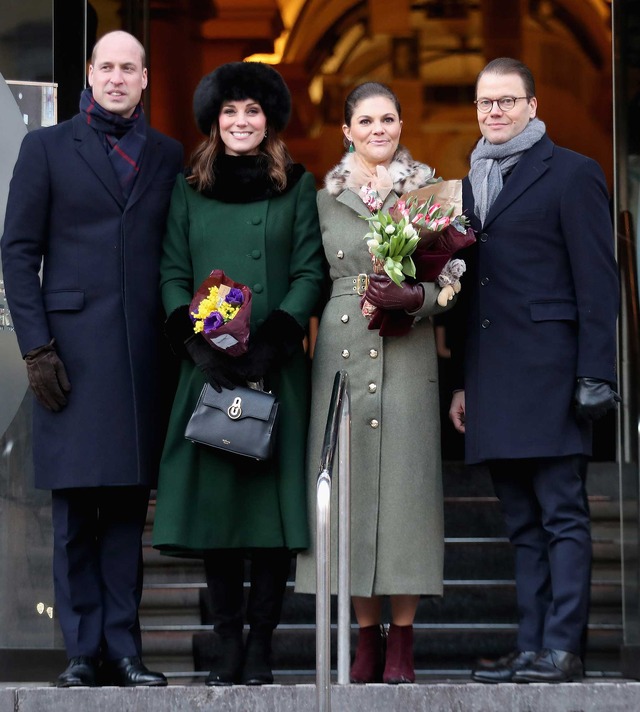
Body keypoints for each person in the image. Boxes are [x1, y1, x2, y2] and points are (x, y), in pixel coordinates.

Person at [1, 31, 183, 687]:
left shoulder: (165, 155)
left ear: (143, 80)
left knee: (127, 514)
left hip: (139, 356)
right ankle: (82, 652)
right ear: (90, 73)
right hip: (68, 359)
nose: (115, 77)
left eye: (128, 68)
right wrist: (36, 347)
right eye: (105, 66)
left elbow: (178, 250)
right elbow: (17, 253)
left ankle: (125, 650)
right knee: (76, 514)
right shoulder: (46, 147)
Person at [151, 61, 324, 686]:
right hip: (210, 371)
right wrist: (196, 342)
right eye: (230, 111)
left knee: (268, 518)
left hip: (273, 371)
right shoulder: (186, 190)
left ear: (269, 120)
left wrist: (274, 339)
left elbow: (311, 272)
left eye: (252, 111)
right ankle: (225, 641)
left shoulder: (297, 186)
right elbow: (171, 271)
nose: (241, 121)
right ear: (214, 121)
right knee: (219, 516)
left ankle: (261, 644)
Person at [447, 57, 620, 684]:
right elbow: (466, 292)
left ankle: (563, 648)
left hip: (553, 373)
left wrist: (596, 372)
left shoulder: (573, 173)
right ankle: (531, 645)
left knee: (562, 514)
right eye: (485, 103)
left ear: (533, 106)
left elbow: (599, 281)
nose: (494, 112)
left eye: (507, 101)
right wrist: (463, 380)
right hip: (493, 376)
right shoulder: (464, 187)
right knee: (521, 523)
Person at [295, 81, 455, 684]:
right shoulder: (321, 201)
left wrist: (418, 297)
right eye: (366, 121)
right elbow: (309, 278)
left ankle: (403, 640)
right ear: (346, 130)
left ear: (400, 124)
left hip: (408, 354)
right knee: (351, 495)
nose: (378, 129)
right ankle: (365, 636)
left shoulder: (430, 193)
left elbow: (453, 279)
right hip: (340, 355)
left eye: (388, 119)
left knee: (406, 493)